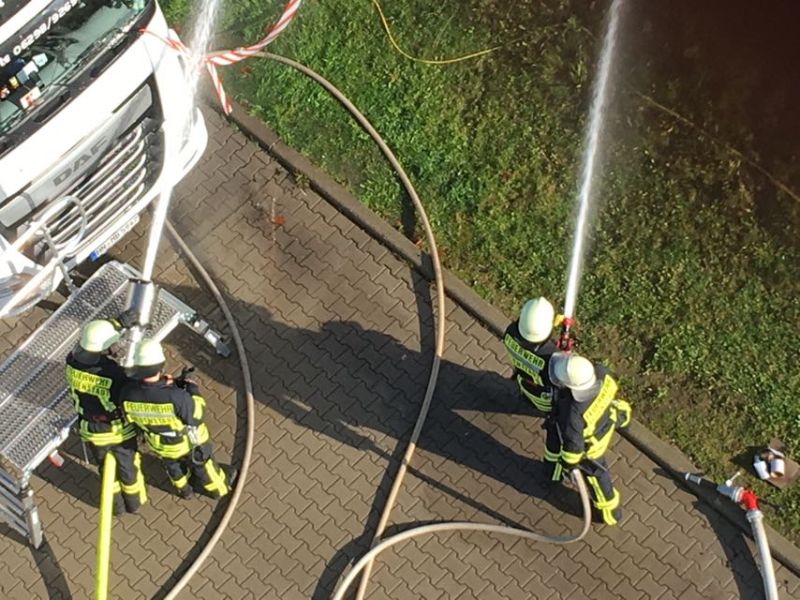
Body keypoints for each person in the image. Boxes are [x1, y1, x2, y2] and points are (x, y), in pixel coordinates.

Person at [120, 338, 235, 499]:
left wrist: (167, 386)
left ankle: (184, 491)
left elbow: (134, 414)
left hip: (161, 445)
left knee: (173, 467)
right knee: (203, 467)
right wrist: (192, 388)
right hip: (188, 444)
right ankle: (219, 489)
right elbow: (196, 416)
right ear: (160, 365)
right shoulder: (177, 397)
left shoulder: (127, 394)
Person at [65, 320, 146, 514]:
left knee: (106, 469)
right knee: (128, 469)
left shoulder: (72, 361)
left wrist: (118, 322)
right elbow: (130, 391)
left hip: (90, 430)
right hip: (117, 431)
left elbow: (94, 337)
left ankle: (116, 507)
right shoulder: (112, 374)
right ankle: (134, 503)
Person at [549, 352, 632, 525]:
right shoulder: (602, 373)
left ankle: (610, 513)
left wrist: (568, 464)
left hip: (593, 446)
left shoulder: (574, 413)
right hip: (610, 417)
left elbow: (574, 447)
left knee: (597, 477)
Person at [503, 297, 563, 478]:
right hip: (548, 402)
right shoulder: (552, 359)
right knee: (556, 436)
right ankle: (553, 475)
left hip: (525, 389)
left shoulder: (510, 334)